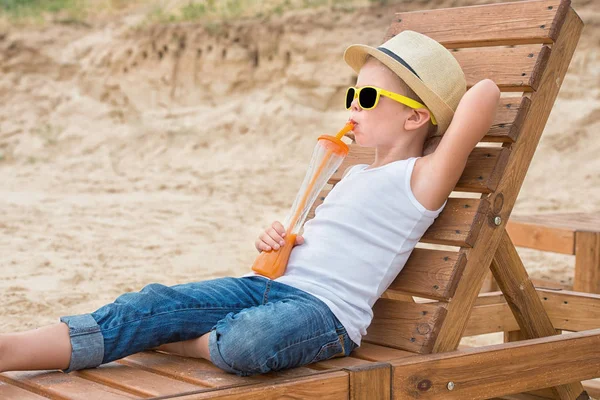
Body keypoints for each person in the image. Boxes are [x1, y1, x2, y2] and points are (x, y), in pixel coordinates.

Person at [0, 30, 500, 377]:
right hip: (269, 284)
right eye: (352, 92)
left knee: (249, 342)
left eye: (368, 97)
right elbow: (325, 239)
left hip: (324, 314)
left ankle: (177, 340)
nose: (353, 105)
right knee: (148, 303)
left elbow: (486, 92)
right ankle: (13, 349)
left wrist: (436, 109)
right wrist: (282, 236)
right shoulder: (354, 174)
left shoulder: (421, 178)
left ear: (416, 119)